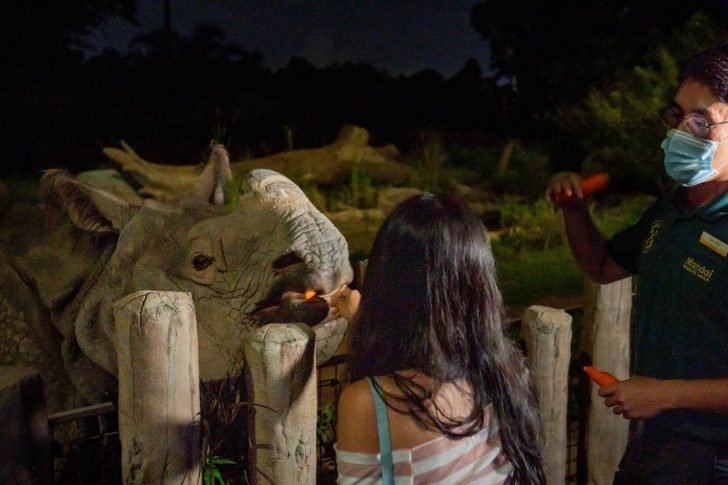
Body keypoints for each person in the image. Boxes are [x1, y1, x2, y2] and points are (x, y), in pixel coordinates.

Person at [546, 44, 728, 484]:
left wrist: (664, 395)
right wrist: (574, 210)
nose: (682, 132)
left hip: (711, 457)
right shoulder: (669, 210)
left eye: (702, 121)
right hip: (654, 442)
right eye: (678, 116)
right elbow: (603, 267)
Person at [330, 193, 545, 484]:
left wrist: (370, 325)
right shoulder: (506, 375)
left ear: (385, 281)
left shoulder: (369, 405)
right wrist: (363, 320)